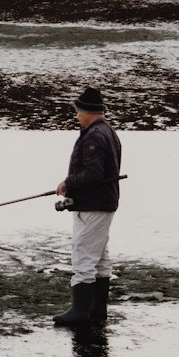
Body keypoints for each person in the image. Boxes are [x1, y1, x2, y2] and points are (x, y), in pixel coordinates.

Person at [54, 87, 121, 327]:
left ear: (88, 112)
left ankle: (80, 311)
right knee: (100, 258)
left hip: (93, 206)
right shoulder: (107, 131)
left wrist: (68, 183)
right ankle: (97, 309)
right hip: (103, 203)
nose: (76, 116)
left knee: (83, 254)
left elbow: (94, 173)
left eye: (78, 111)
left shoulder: (94, 135)